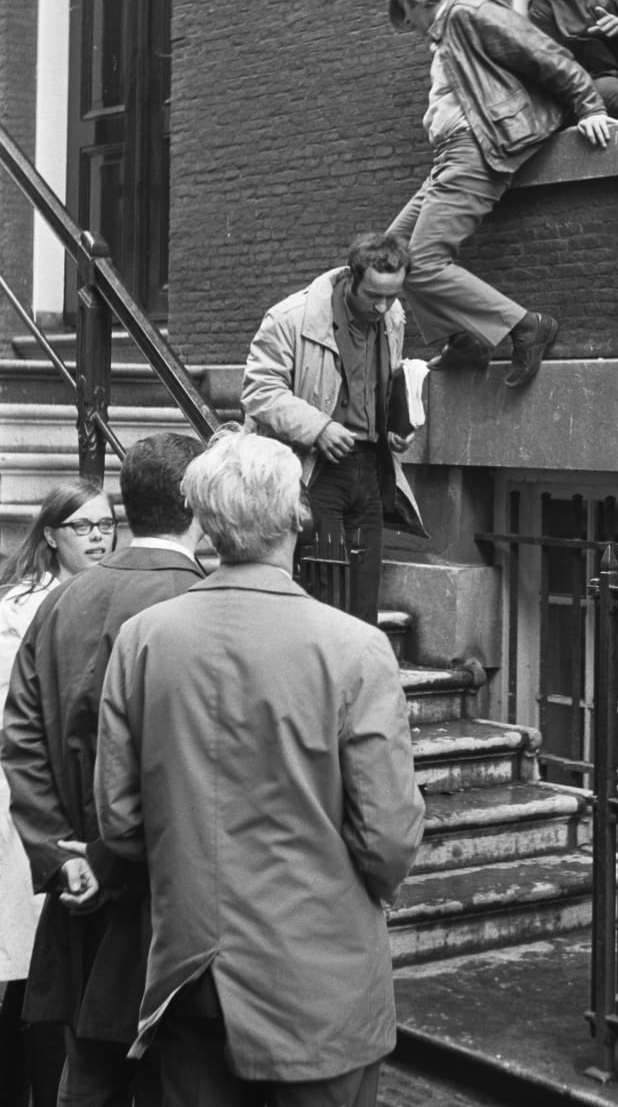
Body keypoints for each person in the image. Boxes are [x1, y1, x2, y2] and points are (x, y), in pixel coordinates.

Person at [94, 429, 425, 1107]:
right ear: (298, 516)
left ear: (206, 521)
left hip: (190, 974)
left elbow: (120, 822)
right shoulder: (356, 649)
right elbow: (389, 834)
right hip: (320, 982)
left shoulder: (144, 639)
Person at [2, 432, 205, 1107]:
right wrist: (101, 862)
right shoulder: (202, 603)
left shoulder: (66, 599)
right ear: (195, 500)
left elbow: (21, 735)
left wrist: (61, 855)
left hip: (79, 893)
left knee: (86, 1077)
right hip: (161, 902)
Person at [385, 0, 610, 387]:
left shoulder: (469, 12)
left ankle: (527, 326)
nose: (407, 21)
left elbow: (544, 53)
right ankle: (467, 339)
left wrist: (589, 105)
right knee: (393, 250)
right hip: (450, 154)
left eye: (406, 8)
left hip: (473, 150)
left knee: (425, 261)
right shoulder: (447, 33)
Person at [0, 480, 117, 1107]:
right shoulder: (23, 607)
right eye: (82, 528)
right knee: (24, 963)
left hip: (69, 800)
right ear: (50, 536)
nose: (97, 537)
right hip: (26, 800)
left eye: (105, 525)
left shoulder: (106, 595)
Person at [241, 231, 425, 627]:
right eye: (374, 295)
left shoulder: (393, 317)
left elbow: (385, 381)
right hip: (312, 470)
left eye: (392, 295)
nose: (382, 306)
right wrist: (319, 428)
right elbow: (259, 392)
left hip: (372, 467)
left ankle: (354, 680)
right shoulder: (290, 318)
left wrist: (396, 427)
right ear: (351, 276)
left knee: (363, 593)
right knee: (321, 591)